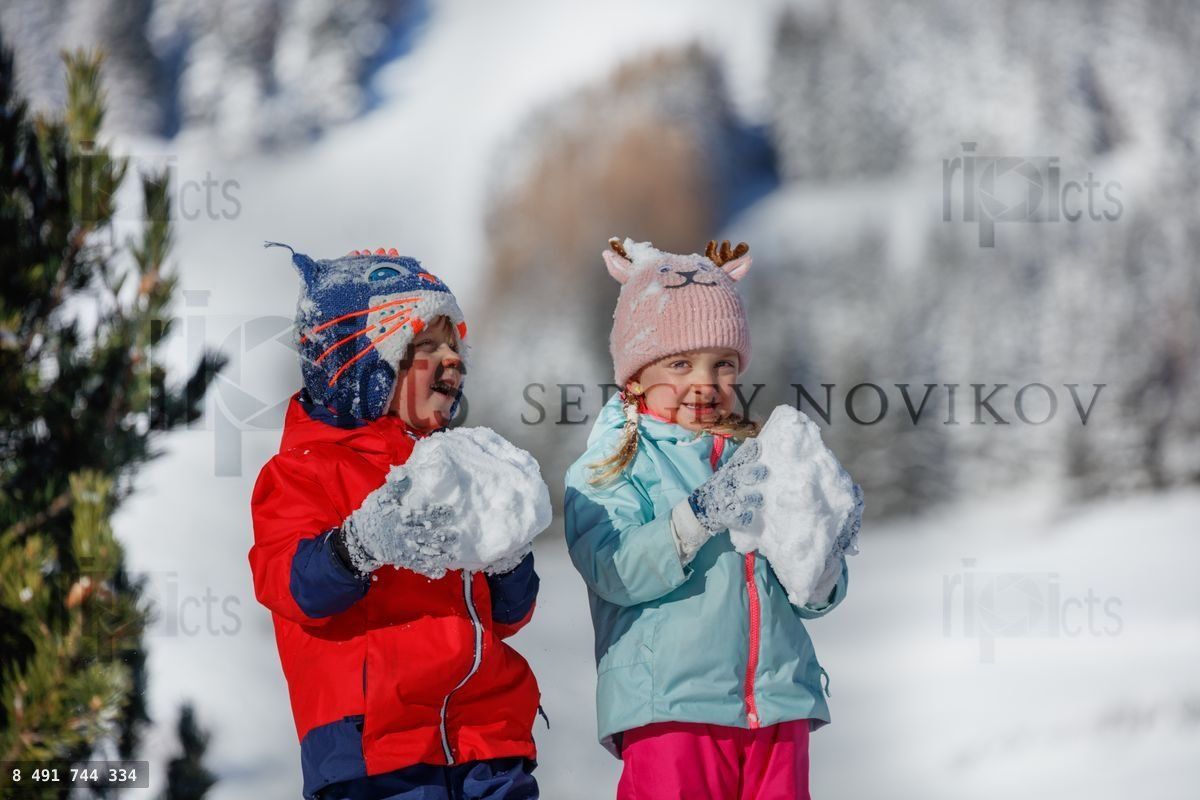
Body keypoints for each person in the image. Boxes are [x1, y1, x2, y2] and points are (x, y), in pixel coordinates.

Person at [563, 238, 859, 799]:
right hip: (672, 711)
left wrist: (824, 560)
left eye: (723, 364)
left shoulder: (765, 455)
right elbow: (613, 569)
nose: (706, 381)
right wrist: (693, 518)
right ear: (635, 374)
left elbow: (808, 596)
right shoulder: (612, 463)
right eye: (680, 363)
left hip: (777, 708)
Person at [250, 245, 540, 800]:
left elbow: (509, 616)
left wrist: (507, 556)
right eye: (426, 345)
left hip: (489, 740)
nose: (453, 359)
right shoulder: (302, 472)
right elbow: (293, 586)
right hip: (375, 753)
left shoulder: (458, 467)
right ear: (358, 361)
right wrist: (357, 545)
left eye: (455, 344)